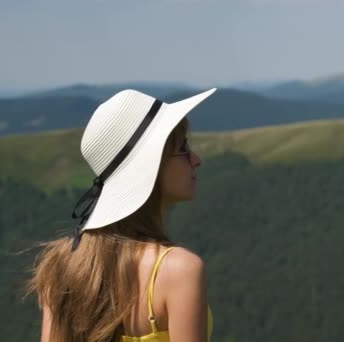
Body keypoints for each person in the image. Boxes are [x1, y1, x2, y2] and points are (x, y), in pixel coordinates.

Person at [26, 88, 217, 342]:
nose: (196, 159)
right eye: (183, 148)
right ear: (155, 164)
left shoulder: (61, 265)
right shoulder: (179, 270)